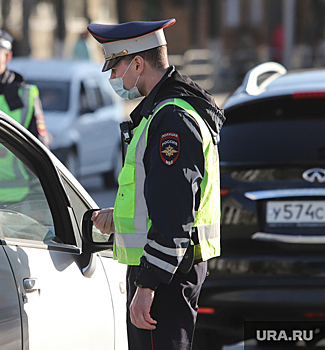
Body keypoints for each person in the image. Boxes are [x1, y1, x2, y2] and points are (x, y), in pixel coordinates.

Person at [88, 19, 225, 350]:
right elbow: (156, 196)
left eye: (114, 67)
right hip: (167, 269)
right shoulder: (163, 112)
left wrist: (147, 286)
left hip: (164, 275)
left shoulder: (172, 119)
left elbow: (175, 213)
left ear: (137, 63)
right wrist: (117, 216)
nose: (112, 79)